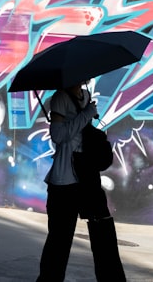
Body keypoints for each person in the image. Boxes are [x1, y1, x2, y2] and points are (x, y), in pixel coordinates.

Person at [36, 82, 126, 281]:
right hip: (64, 180)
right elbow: (58, 136)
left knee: (103, 232)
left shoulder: (86, 96)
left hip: (87, 176)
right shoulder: (61, 97)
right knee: (59, 240)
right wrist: (86, 114)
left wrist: (88, 112)